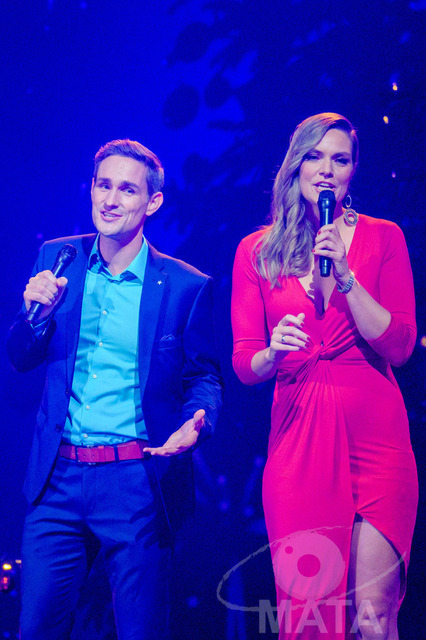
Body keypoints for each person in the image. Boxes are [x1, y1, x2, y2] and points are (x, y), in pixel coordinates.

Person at [7, 139, 223, 640]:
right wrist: (35, 317)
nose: (110, 199)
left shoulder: (185, 286)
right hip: (57, 479)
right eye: (103, 185)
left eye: (127, 189)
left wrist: (197, 423)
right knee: (36, 628)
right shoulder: (58, 258)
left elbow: (204, 378)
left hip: (136, 482)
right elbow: (20, 356)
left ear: (153, 202)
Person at [231, 113, 417, 639]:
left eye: (340, 159)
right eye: (315, 157)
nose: (327, 170)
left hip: (378, 439)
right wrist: (273, 352)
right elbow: (245, 363)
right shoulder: (256, 250)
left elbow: (400, 345)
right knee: (310, 616)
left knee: (374, 617)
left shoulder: (384, 237)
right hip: (300, 439)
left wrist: (348, 278)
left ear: (353, 170)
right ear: (296, 165)